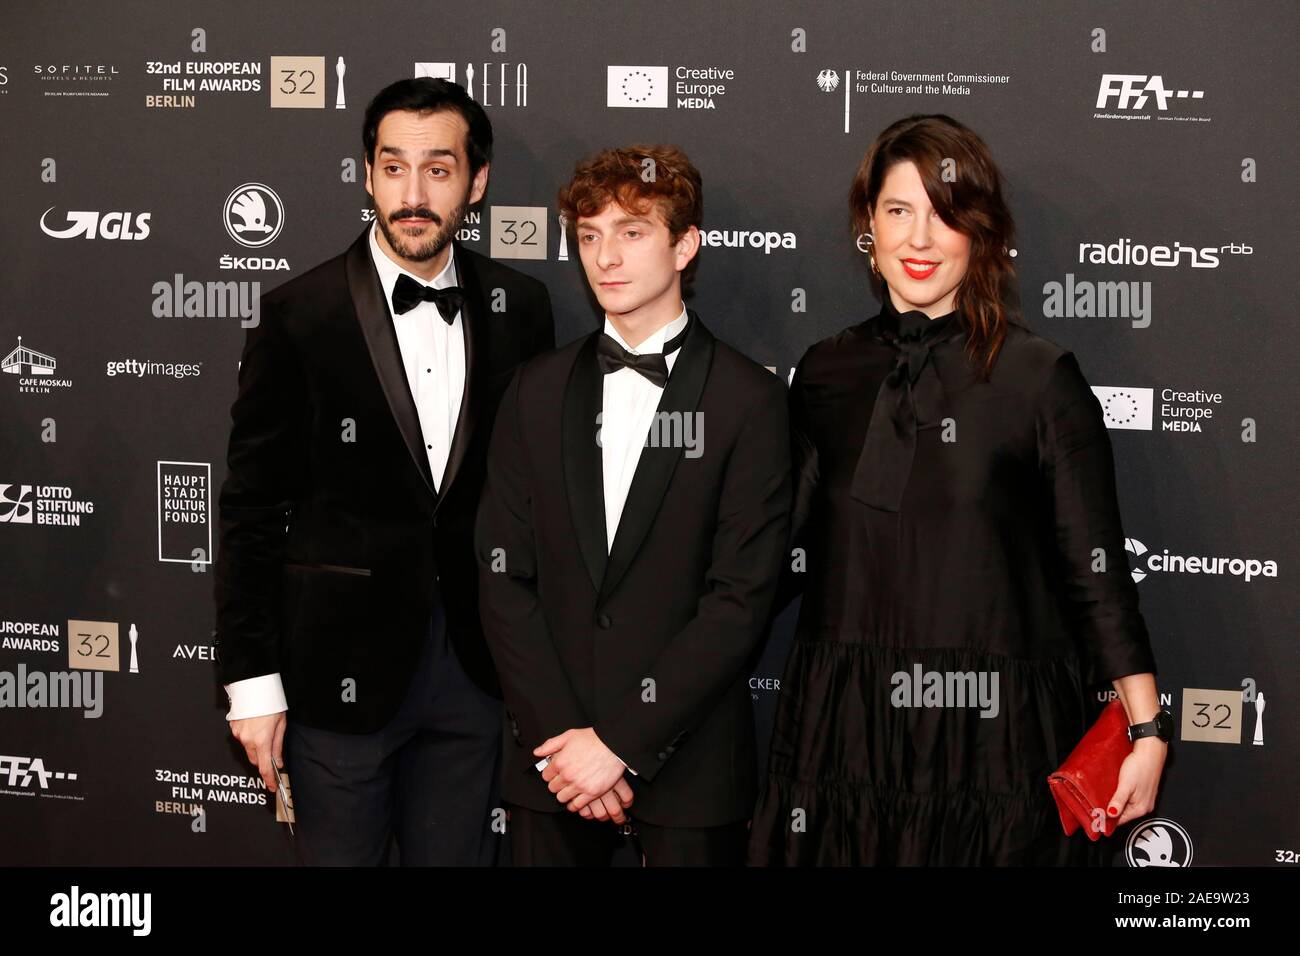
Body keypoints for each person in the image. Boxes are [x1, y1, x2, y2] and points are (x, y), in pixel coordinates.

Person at [748, 114, 1168, 866]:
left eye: (942, 214)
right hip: (846, 731)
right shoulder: (824, 373)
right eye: (897, 211)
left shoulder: (1040, 378)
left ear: (980, 230)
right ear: (867, 226)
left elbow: (1097, 575)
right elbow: (769, 560)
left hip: (993, 738)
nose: (919, 239)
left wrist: (1145, 730)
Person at [213, 77, 555, 865]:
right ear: (367, 175)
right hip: (336, 674)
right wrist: (253, 685)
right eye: (393, 167)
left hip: (475, 674)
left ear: (478, 181)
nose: (413, 193)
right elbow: (252, 510)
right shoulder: (300, 315)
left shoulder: (522, 307)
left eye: (438, 169)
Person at [475, 144, 791, 865]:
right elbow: (501, 574)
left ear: (685, 246)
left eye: (632, 231)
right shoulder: (536, 390)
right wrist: (566, 744)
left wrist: (620, 743)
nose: (605, 257)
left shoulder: (750, 402)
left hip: (691, 767)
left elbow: (738, 600)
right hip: (550, 764)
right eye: (589, 236)